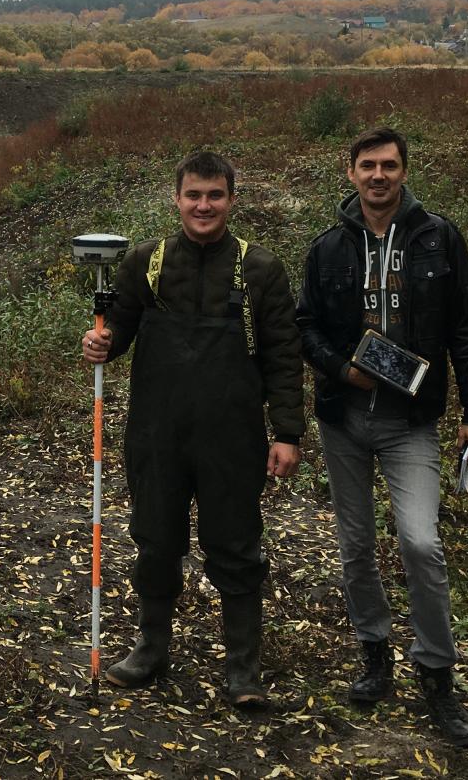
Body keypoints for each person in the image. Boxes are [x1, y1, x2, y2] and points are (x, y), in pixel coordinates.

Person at [82, 150, 304, 706]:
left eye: (215, 195)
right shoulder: (145, 262)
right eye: (193, 195)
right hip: (157, 435)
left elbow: (283, 355)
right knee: (156, 542)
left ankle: (242, 669)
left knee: (236, 546)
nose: (204, 206)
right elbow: (120, 335)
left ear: (232, 198)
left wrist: (287, 433)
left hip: (232, 439)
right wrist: (99, 345)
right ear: (176, 199)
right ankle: (151, 650)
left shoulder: (261, 269)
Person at [295, 126, 468, 746]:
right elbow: (306, 328)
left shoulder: (439, 238)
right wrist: (340, 369)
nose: (378, 176)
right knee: (355, 545)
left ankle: (436, 672)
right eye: (367, 166)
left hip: (412, 421)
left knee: (420, 543)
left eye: (389, 165)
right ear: (349, 172)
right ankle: (374, 652)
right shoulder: (328, 247)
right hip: (343, 418)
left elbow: (465, 327)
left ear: (405, 171)